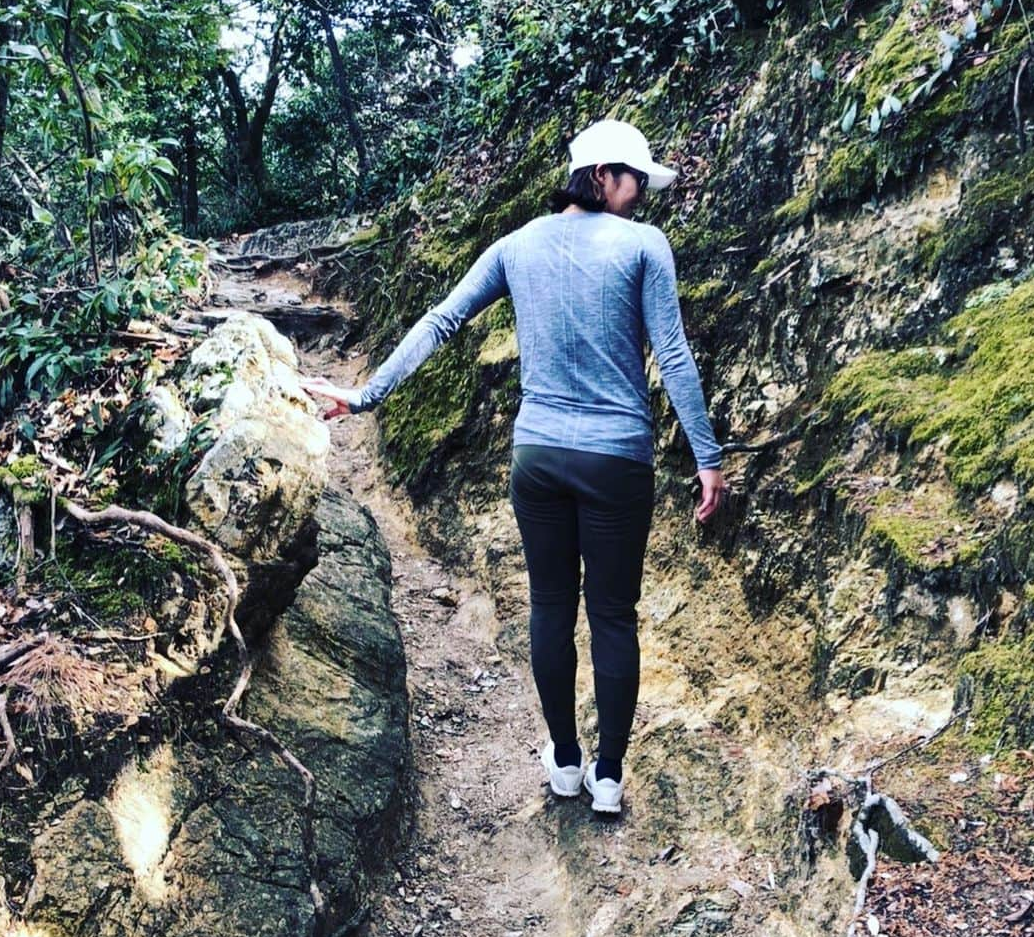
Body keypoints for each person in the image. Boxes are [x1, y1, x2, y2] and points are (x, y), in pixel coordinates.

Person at [303, 118, 725, 814]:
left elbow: (441, 320)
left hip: (537, 458)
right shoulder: (645, 247)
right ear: (599, 177)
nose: (643, 193)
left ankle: (565, 760)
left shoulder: (514, 246)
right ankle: (609, 777)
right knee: (613, 616)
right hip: (617, 459)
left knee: (552, 608)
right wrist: (706, 456)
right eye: (635, 179)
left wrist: (365, 394)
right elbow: (673, 356)